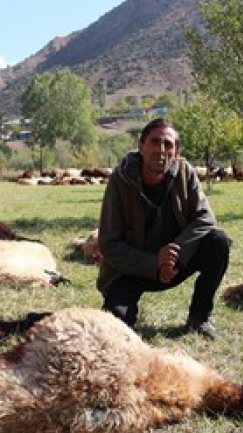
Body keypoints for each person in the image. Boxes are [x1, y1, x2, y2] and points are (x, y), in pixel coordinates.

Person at [97, 118, 231, 339]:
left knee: (218, 242)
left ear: (177, 151)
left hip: (174, 264)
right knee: (116, 324)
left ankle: (200, 317)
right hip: (131, 269)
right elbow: (109, 244)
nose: (161, 150)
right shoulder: (120, 180)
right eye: (155, 142)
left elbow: (205, 218)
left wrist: (176, 252)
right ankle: (121, 310)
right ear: (141, 147)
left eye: (168, 144)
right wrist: (154, 263)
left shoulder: (184, 172)